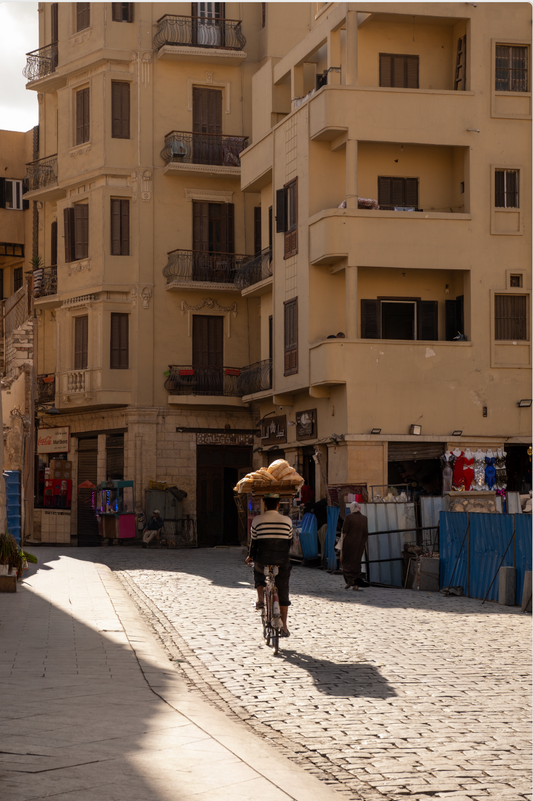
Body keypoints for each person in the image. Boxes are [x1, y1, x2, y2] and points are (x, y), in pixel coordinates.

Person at [245, 494, 293, 637]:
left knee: (258, 572)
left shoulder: (257, 520)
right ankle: (284, 626)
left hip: (263, 559)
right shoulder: (287, 521)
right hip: (282, 560)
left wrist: (250, 557)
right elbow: (289, 543)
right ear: (279, 504)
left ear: (265, 504)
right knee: (283, 590)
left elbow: (254, 543)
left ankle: (260, 598)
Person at [339, 502, 369, 589]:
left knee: (346, 562)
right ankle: (356, 585)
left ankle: (350, 580)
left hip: (349, 544)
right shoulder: (364, 518)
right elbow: (365, 532)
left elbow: (344, 530)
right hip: (360, 544)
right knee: (356, 563)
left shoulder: (349, 517)